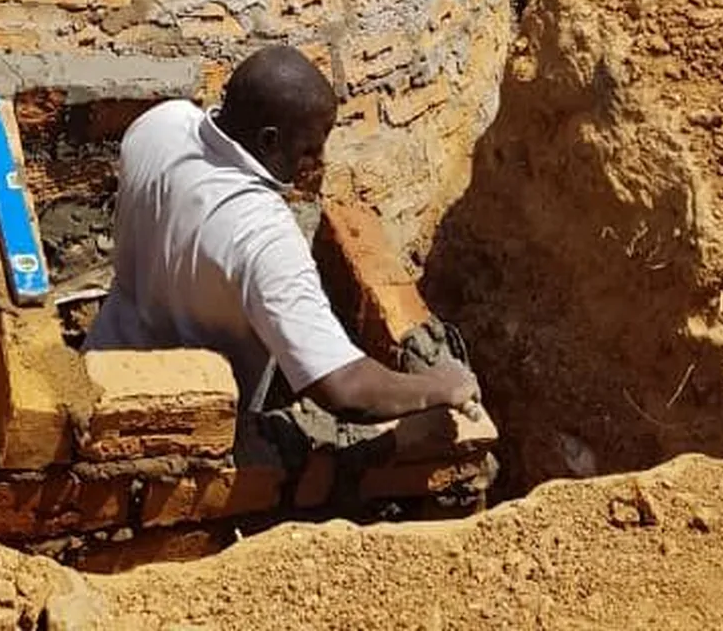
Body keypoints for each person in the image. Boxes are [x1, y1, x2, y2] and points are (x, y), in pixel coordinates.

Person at [86, 45, 479, 423]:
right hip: (182, 427)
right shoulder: (261, 234)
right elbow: (345, 390)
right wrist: (438, 387)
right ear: (269, 140)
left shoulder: (160, 123)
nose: (319, 161)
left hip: (101, 373)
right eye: (309, 148)